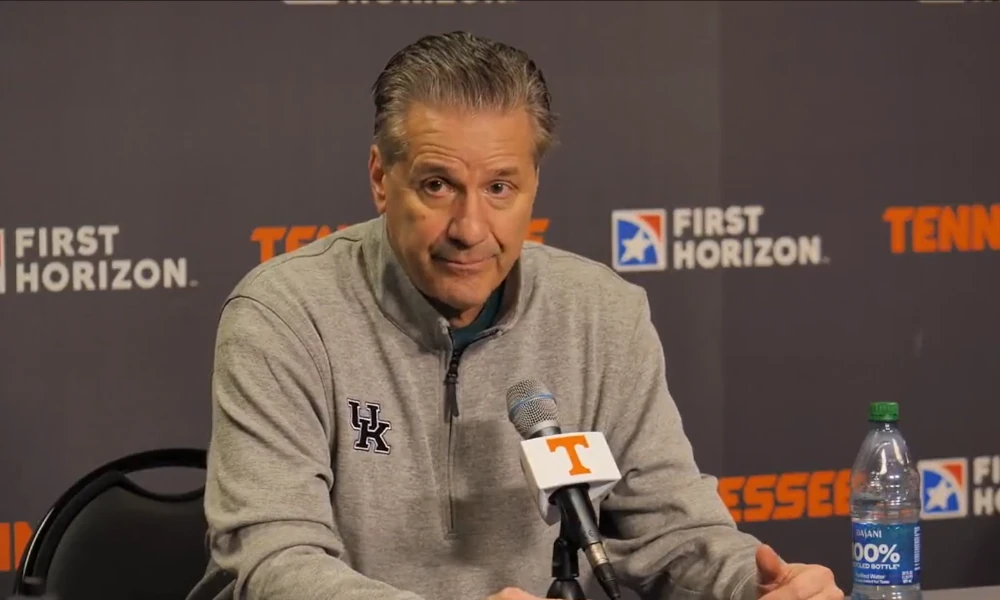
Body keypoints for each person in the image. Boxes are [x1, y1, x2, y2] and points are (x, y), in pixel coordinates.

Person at [187, 31, 843, 600]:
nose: (470, 228)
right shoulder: (284, 316)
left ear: (532, 184)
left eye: (499, 187)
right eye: (437, 185)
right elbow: (274, 565)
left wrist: (751, 585)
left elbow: (671, 531)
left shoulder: (600, 315)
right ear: (382, 178)